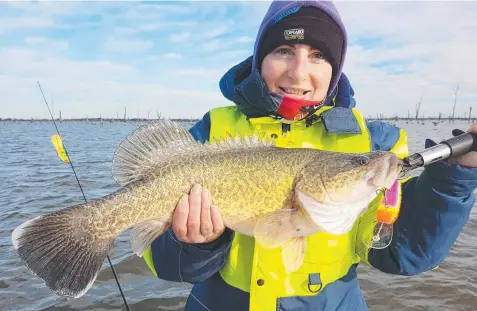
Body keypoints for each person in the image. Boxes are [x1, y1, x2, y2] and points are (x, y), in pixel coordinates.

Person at [142, 1, 477, 310]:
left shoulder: (375, 142)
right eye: (284, 50)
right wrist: (198, 246)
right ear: (260, 59)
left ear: (336, 68)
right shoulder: (210, 132)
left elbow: (406, 255)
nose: (298, 73)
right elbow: (168, 266)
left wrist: (454, 178)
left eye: (318, 55)